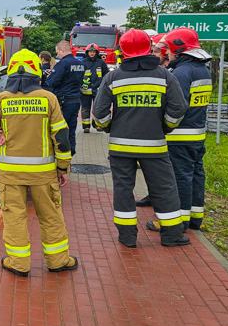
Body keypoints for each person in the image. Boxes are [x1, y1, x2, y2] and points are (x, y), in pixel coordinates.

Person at [0, 49, 77, 276]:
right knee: (50, 216)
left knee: (15, 218)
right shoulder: (49, 99)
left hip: (10, 174)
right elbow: (62, 138)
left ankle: (18, 264)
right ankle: (58, 261)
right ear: (37, 72)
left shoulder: (2, 99)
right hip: (43, 174)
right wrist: (63, 168)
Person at [92, 28, 189, 248]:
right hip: (154, 145)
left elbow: (99, 113)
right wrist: (165, 127)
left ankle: (127, 237)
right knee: (164, 188)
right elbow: (178, 108)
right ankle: (172, 236)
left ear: (123, 51)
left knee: (123, 189)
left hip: (120, 147)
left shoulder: (113, 77)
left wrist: (108, 128)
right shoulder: (165, 75)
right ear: (149, 49)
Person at [141, 27, 212, 230]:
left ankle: (177, 222)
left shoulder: (181, 72)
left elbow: (175, 105)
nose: (167, 54)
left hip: (180, 136)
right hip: (197, 134)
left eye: (169, 49)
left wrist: (164, 125)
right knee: (196, 175)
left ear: (178, 49)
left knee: (179, 178)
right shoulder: (203, 70)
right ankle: (194, 218)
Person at [45, 41, 84, 155]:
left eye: (57, 52)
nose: (57, 55)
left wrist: (49, 76)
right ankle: (70, 152)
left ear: (62, 50)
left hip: (63, 102)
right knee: (72, 130)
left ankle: (60, 155)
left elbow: (52, 82)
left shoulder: (63, 63)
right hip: (76, 100)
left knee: (60, 130)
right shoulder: (80, 63)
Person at [79, 44, 109, 133]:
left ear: (96, 53)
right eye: (90, 52)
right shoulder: (82, 62)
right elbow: (79, 76)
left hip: (98, 90)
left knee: (97, 108)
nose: (92, 53)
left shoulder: (101, 63)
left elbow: (105, 75)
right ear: (87, 52)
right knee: (85, 108)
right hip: (85, 90)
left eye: (93, 52)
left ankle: (96, 125)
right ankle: (86, 127)